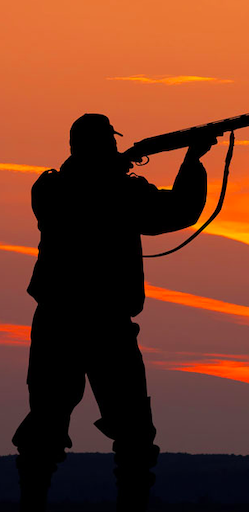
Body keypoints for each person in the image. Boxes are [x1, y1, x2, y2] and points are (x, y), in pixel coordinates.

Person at [12, 113, 216, 511]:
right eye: (109, 143)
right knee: (127, 433)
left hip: (59, 324)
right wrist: (192, 162)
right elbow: (178, 210)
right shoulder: (84, 190)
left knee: (57, 427)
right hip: (103, 326)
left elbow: (165, 210)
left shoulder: (53, 187)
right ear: (103, 146)